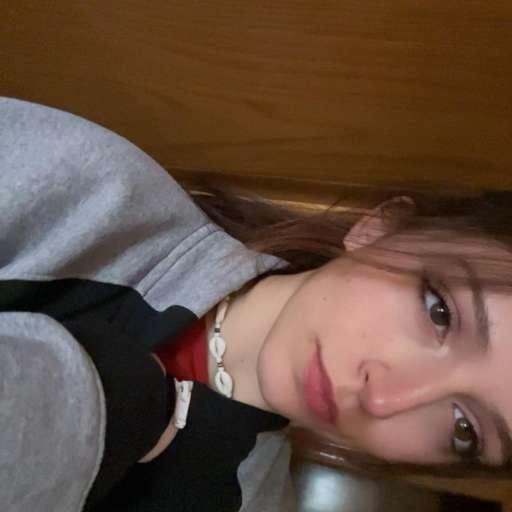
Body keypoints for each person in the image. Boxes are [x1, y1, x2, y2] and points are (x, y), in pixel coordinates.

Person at [1, 96, 511, 511]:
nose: (383, 399)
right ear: (381, 227)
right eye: (439, 312)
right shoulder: (92, 192)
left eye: (464, 429)